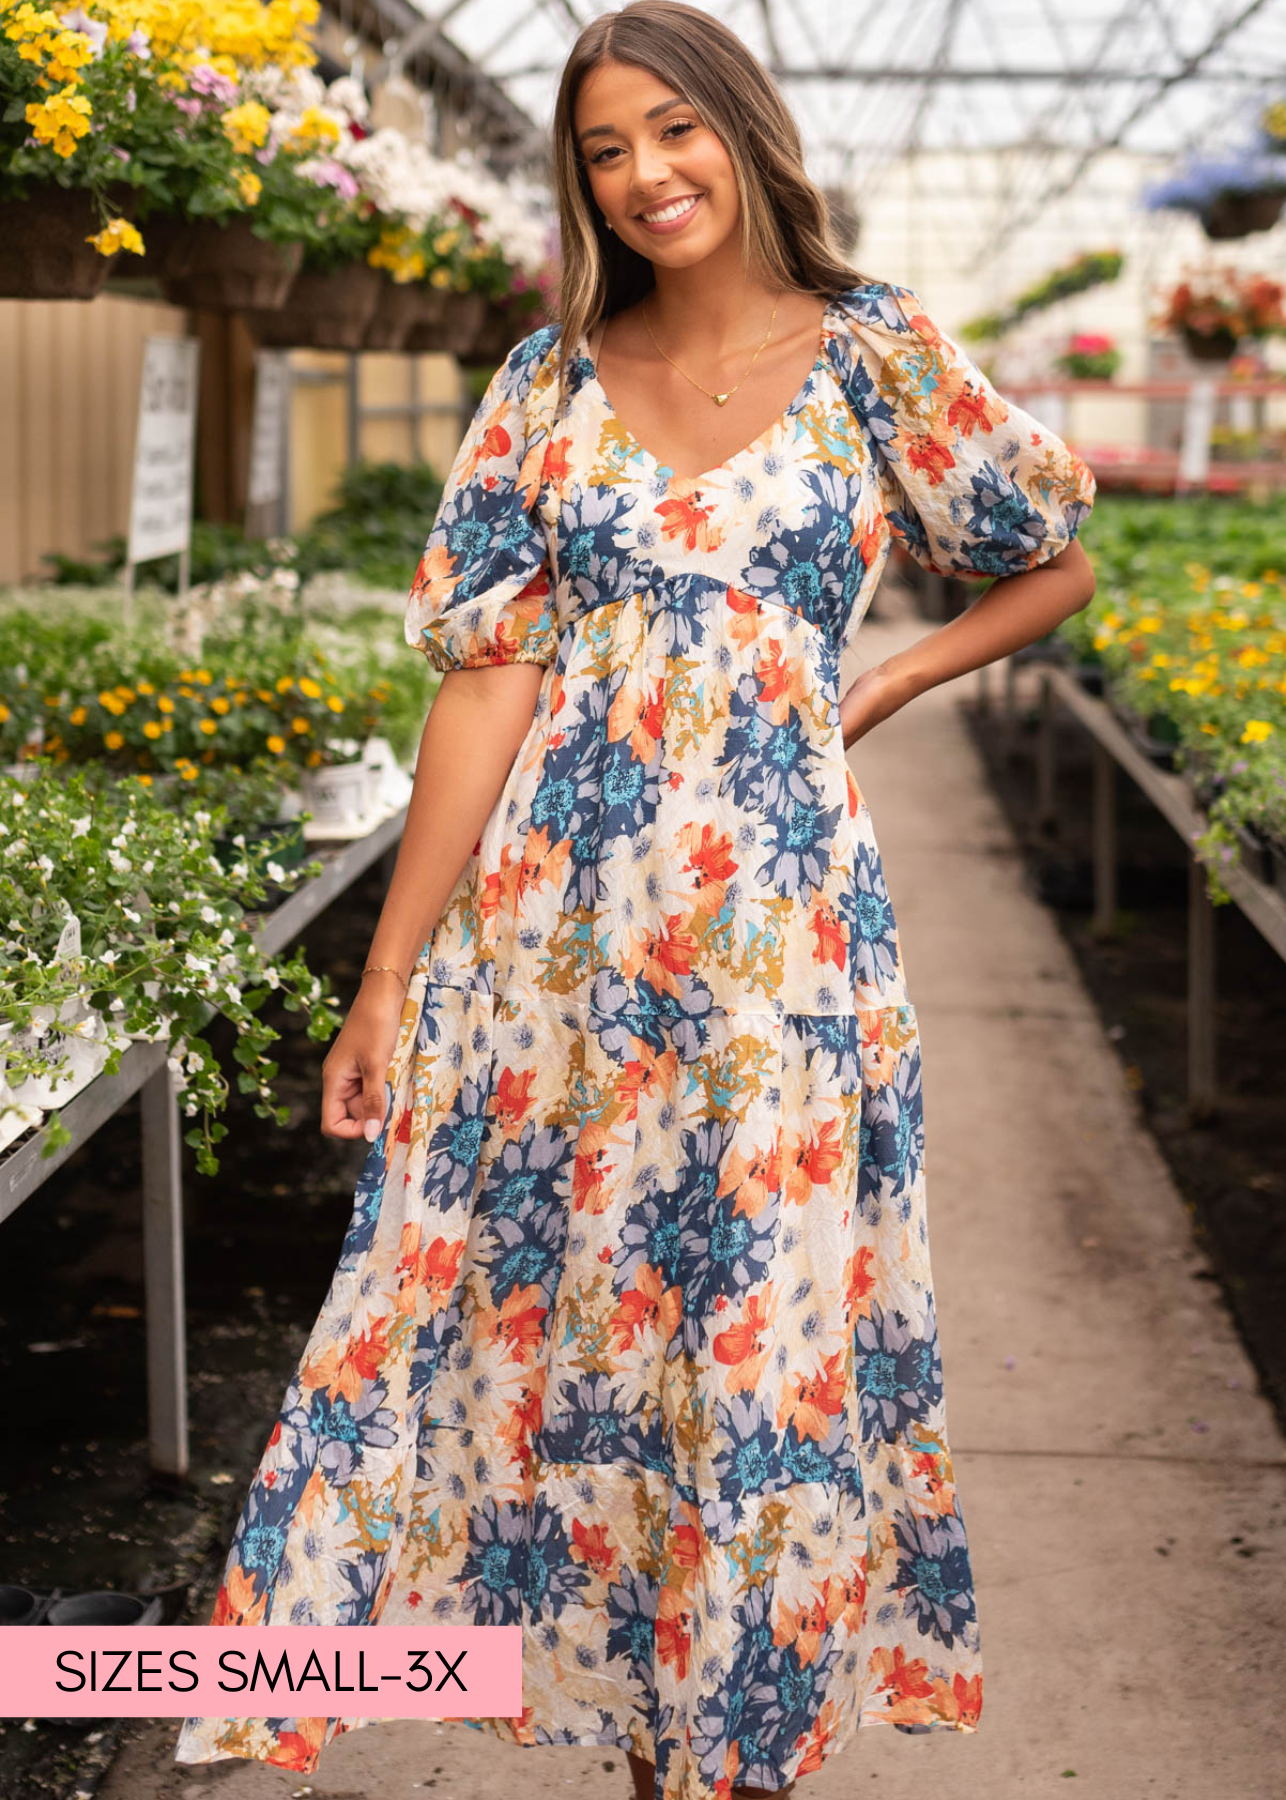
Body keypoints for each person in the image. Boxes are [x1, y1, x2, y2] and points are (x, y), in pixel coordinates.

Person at [173, 3, 1096, 1796]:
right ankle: (444, 1683)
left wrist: (877, 685)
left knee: (743, 1339)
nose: (644, 173)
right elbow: (485, 685)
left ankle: (714, 1748)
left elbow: (1044, 563)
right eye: (603, 149)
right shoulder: (543, 383)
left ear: (744, 134)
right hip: (545, 943)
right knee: (487, 1317)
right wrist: (386, 981)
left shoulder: (873, 352)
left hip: (781, 949)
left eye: (673, 131)